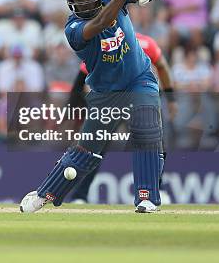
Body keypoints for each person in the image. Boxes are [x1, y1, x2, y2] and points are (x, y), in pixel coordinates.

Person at [20, 0, 167, 213]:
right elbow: (100, 23)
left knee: (146, 130)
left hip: (139, 78)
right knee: (86, 151)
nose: (85, 2)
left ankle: (146, 197)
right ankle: (45, 193)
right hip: (105, 92)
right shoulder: (74, 29)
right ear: (70, 2)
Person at [69, 32, 176, 204]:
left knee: (94, 147)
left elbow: (81, 78)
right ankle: (156, 190)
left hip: (111, 100)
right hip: (138, 98)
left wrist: (73, 107)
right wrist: (171, 98)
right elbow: (162, 66)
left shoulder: (105, 42)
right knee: (153, 142)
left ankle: (80, 196)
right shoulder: (147, 43)